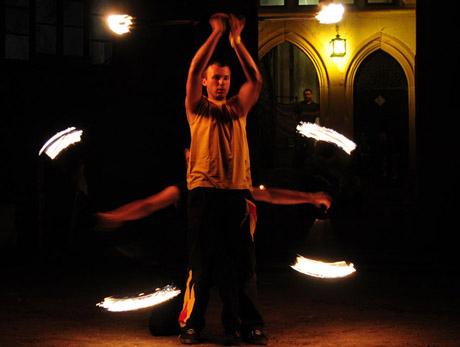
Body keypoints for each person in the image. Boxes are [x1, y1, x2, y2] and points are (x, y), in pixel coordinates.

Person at [179, 11, 265, 345]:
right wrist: (215, 34)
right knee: (201, 266)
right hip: (203, 192)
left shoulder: (237, 109)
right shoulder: (196, 108)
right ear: (205, 81)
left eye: (225, 78)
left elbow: (255, 80)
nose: (220, 83)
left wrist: (237, 42)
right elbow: (193, 70)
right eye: (215, 78)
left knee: (243, 265)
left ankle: (247, 323)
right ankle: (193, 324)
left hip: (237, 193)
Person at [293, 88, 320, 169]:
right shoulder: (300, 105)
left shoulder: (315, 106)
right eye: (305, 94)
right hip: (302, 130)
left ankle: (310, 165)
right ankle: (300, 166)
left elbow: (317, 117)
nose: (307, 96)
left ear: (311, 95)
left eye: (308, 94)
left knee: (310, 147)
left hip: (311, 130)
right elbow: (295, 116)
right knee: (300, 148)